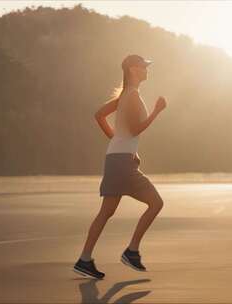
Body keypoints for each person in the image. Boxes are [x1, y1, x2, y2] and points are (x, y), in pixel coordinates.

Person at [73, 54, 167, 279]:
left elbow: (99, 116)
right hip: (121, 162)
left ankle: (85, 260)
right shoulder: (132, 96)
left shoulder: (125, 95)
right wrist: (156, 111)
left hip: (116, 158)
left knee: (106, 212)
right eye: (144, 66)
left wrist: (119, 143)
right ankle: (131, 251)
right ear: (133, 69)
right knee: (156, 203)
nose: (146, 69)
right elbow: (134, 129)